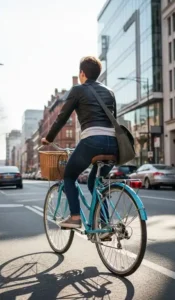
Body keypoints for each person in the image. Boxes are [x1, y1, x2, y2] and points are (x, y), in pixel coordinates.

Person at [41, 56, 118, 229]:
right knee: (94, 183)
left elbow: (62, 118)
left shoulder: (77, 90)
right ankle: (104, 224)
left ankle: (75, 217)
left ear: (82, 73)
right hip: (113, 144)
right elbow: (114, 120)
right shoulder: (110, 92)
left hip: (92, 141)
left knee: (69, 175)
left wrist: (49, 138)